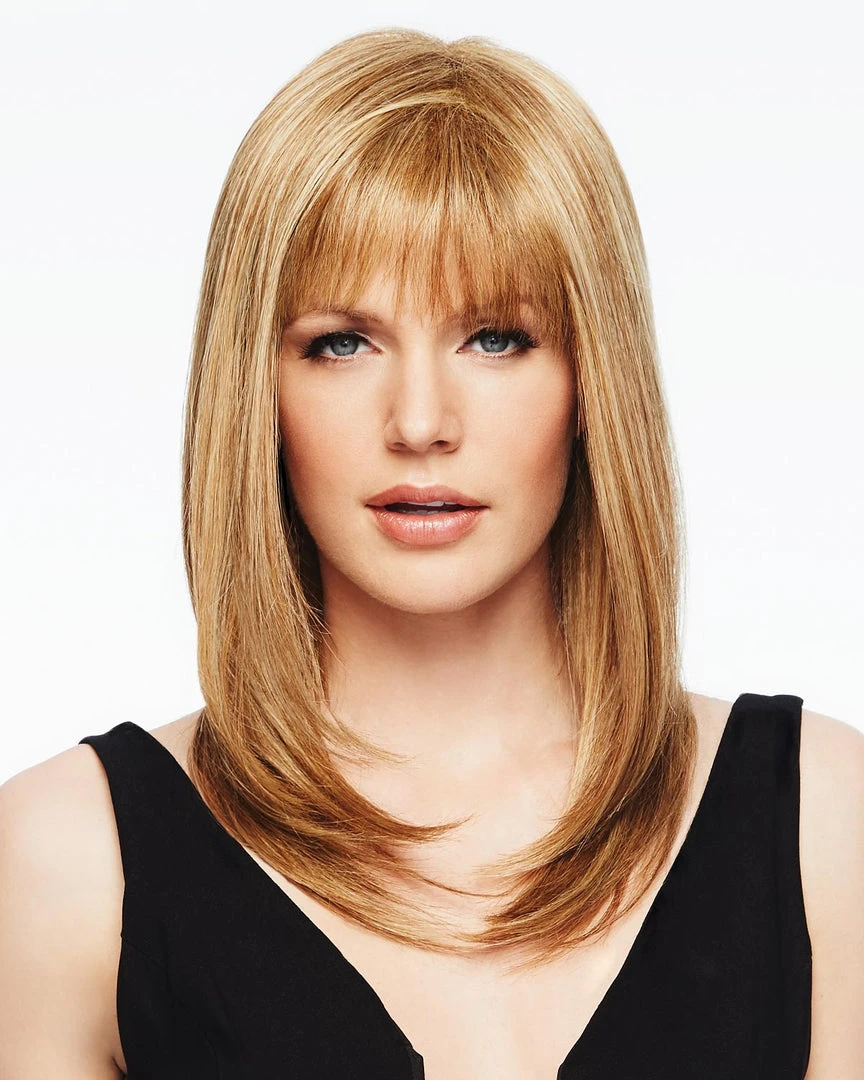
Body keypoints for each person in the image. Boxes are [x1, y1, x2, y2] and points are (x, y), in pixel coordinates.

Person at [0, 25, 861, 1080]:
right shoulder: (70, 863)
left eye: (496, 338)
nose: (419, 422)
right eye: (342, 343)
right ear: (257, 389)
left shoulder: (825, 823)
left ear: (594, 380)